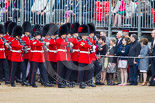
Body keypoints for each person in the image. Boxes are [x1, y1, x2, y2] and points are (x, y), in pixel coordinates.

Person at [56, 24, 73, 88]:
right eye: (64, 34)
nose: (65, 35)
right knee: (59, 71)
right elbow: (62, 43)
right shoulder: (58, 39)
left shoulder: (66, 40)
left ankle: (65, 80)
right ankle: (59, 83)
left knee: (69, 68)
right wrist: (68, 43)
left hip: (66, 57)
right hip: (60, 57)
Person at [77, 24, 93, 89]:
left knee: (86, 71)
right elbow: (85, 46)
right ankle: (80, 83)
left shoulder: (86, 41)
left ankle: (85, 82)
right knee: (81, 71)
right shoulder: (80, 41)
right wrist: (90, 46)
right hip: (82, 57)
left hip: (87, 57)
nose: (87, 36)